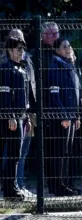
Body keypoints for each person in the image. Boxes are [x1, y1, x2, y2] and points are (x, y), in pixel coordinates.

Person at [45, 37, 82, 196]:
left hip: (72, 117)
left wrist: (78, 115)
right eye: (64, 46)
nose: (68, 49)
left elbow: (78, 93)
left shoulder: (71, 66)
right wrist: (64, 116)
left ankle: (66, 183)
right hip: (63, 118)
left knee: (68, 151)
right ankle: (58, 186)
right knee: (59, 152)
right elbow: (54, 95)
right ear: (56, 50)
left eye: (69, 45)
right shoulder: (55, 67)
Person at [3, 29, 36, 193]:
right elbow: (4, 94)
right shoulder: (5, 68)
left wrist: (28, 118)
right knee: (10, 153)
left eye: (22, 49)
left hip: (22, 117)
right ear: (9, 50)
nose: (21, 52)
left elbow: (26, 98)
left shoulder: (21, 69)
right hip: (10, 118)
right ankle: (9, 187)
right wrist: (10, 116)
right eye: (18, 49)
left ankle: (12, 186)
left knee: (16, 154)